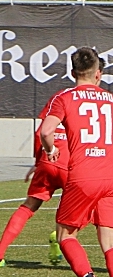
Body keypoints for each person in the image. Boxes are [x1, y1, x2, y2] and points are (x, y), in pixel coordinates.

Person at [38, 48, 113, 277]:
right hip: (112, 176)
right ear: (98, 74)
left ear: (73, 73)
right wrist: (103, 146)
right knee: (111, 242)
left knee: (65, 234)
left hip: (83, 174)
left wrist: (50, 150)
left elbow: (46, 131)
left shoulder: (64, 97)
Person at [0, 91, 71, 267]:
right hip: (72, 165)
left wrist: (38, 161)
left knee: (28, 206)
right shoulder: (91, 100)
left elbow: (41, 132)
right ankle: (60, 236)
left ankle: (0, 252)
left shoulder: (58, 97)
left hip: (48, 161)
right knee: (89, 208)